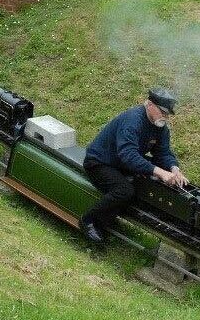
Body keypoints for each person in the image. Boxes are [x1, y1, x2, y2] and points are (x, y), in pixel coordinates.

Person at [79, 87, 188, 243]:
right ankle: (89, 220)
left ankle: (109, 220)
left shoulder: (160, 127)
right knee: (125, 190)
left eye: (167, 114)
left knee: (147, 182)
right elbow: (128, 155)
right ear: (150, 104)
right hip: (100, 162)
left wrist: (174, 169)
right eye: (162, 112)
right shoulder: (133, 121)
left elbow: (163, 153)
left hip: (121, 164)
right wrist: (160, 172)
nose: (164, 117)